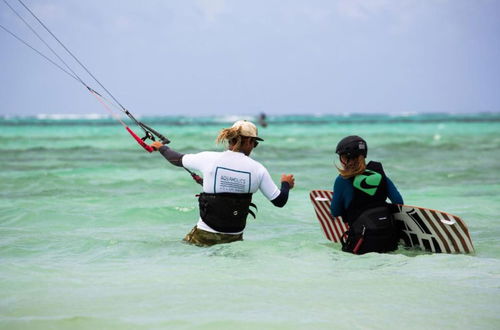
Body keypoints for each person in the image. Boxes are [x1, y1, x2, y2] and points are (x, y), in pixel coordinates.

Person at [150, 120, 295, 247]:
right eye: (255, 143)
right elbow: (279, 201)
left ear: (230, 140)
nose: (253, 147)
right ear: (249, 141)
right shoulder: (258, 169)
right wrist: (285, 184)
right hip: (234, 239)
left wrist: (161, 147)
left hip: (205, 235)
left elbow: (176, 159)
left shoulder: (209, 158)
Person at [330, 135, 403, 254]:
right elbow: (398, 202)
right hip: (389, 240)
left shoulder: (342, 180)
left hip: (362, 243)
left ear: (346, 158)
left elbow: (335, 211)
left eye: (341, 157)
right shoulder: (380, 175)